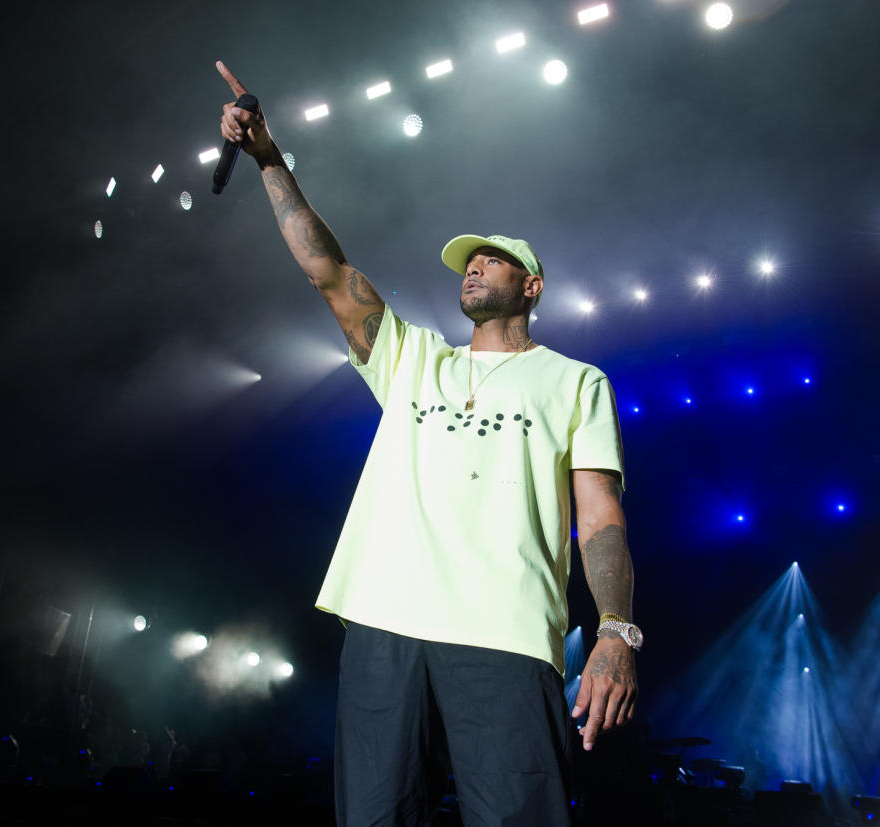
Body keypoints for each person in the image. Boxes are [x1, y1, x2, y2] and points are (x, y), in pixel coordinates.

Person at [216, 62, 642, 826]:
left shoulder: (576, 382)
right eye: (467, 261)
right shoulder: (415, 358)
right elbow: (327, 271)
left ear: (533, 285)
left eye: (493, 259)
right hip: (385, 621)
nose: (473, 266)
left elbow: (601, 518)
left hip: (506, 633)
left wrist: (615, 630)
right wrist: (270, 160)